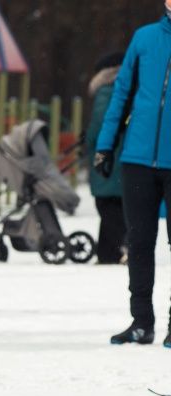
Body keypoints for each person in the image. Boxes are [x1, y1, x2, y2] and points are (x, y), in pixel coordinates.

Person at [95, 2, 171, 349]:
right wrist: (105, 145)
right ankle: (141, 323)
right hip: (138, 158)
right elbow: (122, 92)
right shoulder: (144, 38)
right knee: (139, 243)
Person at [85, 52, 126, 266]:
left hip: (108, 156)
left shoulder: (107, 91)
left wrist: (89, 142)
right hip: (124, 155)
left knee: (107, 204)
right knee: (116, 205)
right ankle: (107, 251)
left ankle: (116, 248)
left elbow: (99, 126)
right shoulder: (132, 90)